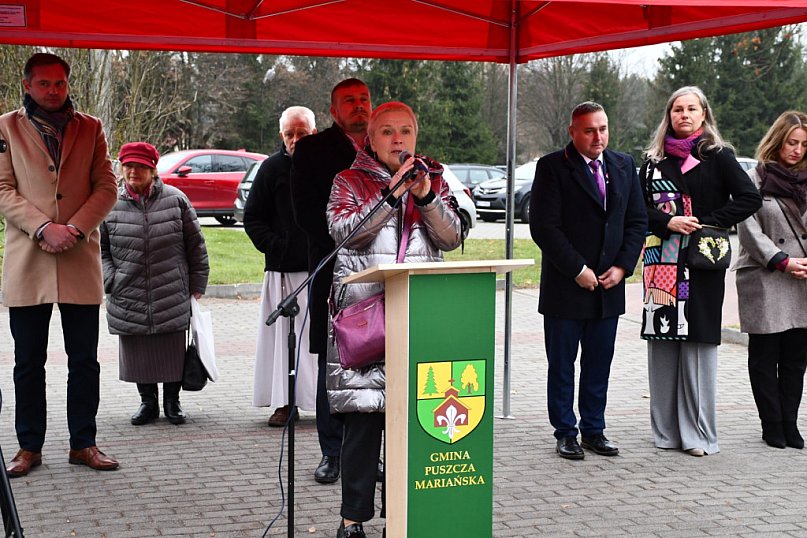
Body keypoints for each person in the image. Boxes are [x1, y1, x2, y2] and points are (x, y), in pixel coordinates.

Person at [327, 101, 461, 538]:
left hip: (419, 318)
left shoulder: (435, 180)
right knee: (363, 424)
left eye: (406, 131)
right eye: (387, 132)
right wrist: (392, 195)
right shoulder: (348, 180)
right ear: (371, 138)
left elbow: (452, 236)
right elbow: (347, 231)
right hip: (366, 321)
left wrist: (424, 195)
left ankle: (402, 517)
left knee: (413, 424)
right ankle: (353, 520)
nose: (398, 139)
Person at [0, 53, 119, 476]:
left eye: (60, 84)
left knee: (84, 360)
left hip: (78, 258)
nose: (54, 91)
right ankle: (28, 447)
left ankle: (82, 444)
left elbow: (107, 186)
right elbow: (2, 188)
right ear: (27, 85)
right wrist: (42, 227)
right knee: (27, 362)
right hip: (28, 259)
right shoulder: (6, 127)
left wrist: (75, 227)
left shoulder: (91, 128)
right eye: (45, 83)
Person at [640, 86, 762, 456]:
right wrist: (667, 222)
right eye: (677, 109)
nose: (684, 115)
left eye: (691, 108)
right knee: (663, 344)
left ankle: (698, 436)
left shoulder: (718, 157)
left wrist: (706, 223)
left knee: (698, 344)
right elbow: (636, 208)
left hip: (702, 264)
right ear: (669, 116)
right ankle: (665, 434)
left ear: (704, 114)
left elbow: (748, 198)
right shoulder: (653, 161)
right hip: (660, 264)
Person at [529, 101, 647, 460]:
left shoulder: (624, 165)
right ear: (573, 132)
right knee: (562, 365)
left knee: (599, 363)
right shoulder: (552, 167)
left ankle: (594, 429)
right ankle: (565, 431)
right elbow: (544, 227)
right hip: (567, 286)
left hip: (609, 287)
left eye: (603, 129)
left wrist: (624, 267)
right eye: (590, 130)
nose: (599, 137)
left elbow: (637, 222)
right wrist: (577, 269)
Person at [290, 78, 371, 483]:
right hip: (333, 272)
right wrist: (353, 242)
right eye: (349, 102)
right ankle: (332, 453)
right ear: (334, 111)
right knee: (333, 365)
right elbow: (305, 214)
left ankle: (370, 456)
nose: (359, 107)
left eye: (364, 100)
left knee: (377, 366)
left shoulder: (385, 146)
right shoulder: (312, 150)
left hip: (381, 279)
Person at [100, 142, 209, 426]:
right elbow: (98, 250)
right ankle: (147, 402)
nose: (133, 171)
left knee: (172, 347)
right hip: (127, 289)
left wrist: (197, 282)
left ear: (152, 169)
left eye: (139, 166)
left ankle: (172, 402)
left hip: (170, 288)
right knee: (139, 351)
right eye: (128, 166)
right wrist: (109, 277)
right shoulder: (108, 203)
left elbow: (195, 245)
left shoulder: (176, 200)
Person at [735, 111, 807, 449]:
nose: (797, 150)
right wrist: (780, 261)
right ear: (777, 140)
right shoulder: (754, 179)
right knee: (765, 355)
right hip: (766, 275)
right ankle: (771, 423)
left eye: (804, 145)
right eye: (792, 142)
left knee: (795, 357)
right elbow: (748, 228)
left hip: (803, 277)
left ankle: (790, 423)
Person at [245, 106, 317, 426]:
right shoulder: (270, 169)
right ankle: (284, 402)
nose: (295, 140)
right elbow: (252, 218)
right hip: (282, 272)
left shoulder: (324, 168)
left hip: (319, 268)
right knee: (282, 344)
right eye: (290, 134)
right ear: (281, 136)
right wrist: (277, 244)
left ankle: (323, 401)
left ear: (313, 133)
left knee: (317, 342)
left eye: (302, 133)